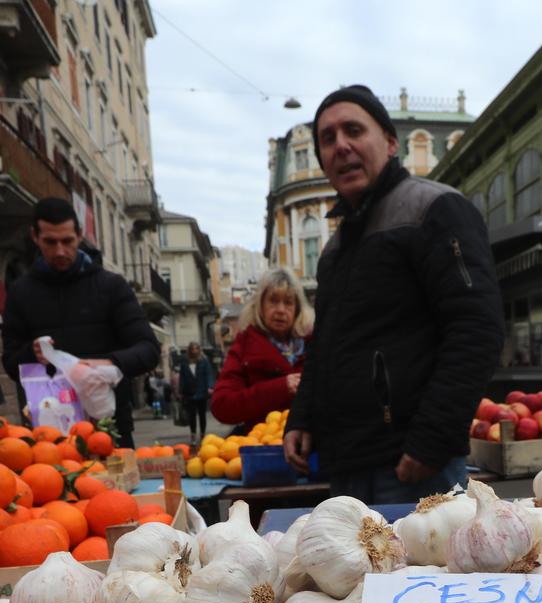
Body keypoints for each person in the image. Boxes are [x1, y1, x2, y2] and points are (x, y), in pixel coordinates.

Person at [282, 86, 502, 504]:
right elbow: (325, 345)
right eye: (328, 138)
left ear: (389, 142)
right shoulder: (335, 248)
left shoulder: (434, 209)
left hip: (413, 466)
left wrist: (432, 439)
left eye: (353, 130)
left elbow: (476, 328)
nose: (341, 145)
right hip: (347, 465)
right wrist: (302, 416)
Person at [1, 197, 160, 448]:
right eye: (50, 242)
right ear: (35, 237)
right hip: (50, 433)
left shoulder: (111, 286)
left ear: (80, 235)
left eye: (67, 241)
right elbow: (10, 363)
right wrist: (31, 353)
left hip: (109, 428)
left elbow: (149, 350)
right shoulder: (20, 292)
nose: (60, 251)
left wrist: (110, 363)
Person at [211, 267, 310, 433]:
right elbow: (222, 405)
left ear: (297, 309)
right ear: (260, 306)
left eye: (288, 302)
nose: (280, 310)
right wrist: (280, 388)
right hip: (263, 443)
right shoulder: (244, 346)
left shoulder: (314, 345)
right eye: (273, 301)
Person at [176, 344, 215, 441]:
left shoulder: (204, 362)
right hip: (189, 393)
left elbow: (209, 374)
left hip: (201, 392)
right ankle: (193, 434)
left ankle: (202, 434)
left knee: (202, 415)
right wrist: (180, 391)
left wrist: (210, 386)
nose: (194, 351)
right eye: (192, 349)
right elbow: (182, 378)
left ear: (199, 350)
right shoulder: (184, 363)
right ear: (189, 350)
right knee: (191, 415)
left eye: (196, 349)